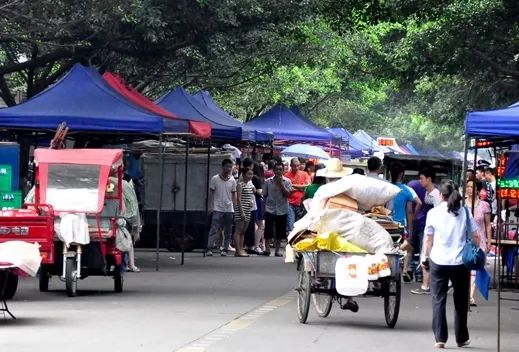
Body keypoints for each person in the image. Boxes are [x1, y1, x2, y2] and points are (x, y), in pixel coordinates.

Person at [422, 180, 480, 349]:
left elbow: (428, 239)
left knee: (438, 300)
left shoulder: (433, 213)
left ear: (441, 195)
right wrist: (476, 251)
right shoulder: (465, 212)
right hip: (460, 262)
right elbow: (476, 236)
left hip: (438, 261)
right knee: (461, 301)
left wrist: (425, 257)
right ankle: (461, 338)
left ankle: (440, 339)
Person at [411, 168, 442, 295]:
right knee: (425, 254)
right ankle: (427, 283)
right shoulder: (426, 193)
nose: (420, 181)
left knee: (426, 254)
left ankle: (426, 285)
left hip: (432, 229)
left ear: (429, 179)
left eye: (422, 178)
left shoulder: (435, 194)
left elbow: (438, 213)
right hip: (426, 226)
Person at [465, 179, 492, 306]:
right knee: (465, 267)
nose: (469, 189)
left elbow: (488, 225)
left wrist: (489, 241)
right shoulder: (462, 204)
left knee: (476, 269)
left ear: (477, 189)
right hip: (465, 239)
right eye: (468, 186)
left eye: (472, 186)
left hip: (480, 240)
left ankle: (471, 296)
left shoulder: (484, 205)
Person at [206, 159, 237, 257]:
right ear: (222, 167)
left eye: (230, 167)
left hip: (229, 208)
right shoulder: (215, 178)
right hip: (217, 207)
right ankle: (209, 248)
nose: (228, 169)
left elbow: (233, 195)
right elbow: (211, 193)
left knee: (228, 230)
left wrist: (235, 207)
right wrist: (210, 206)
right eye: (227, 166)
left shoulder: (232, 180)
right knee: (214, 228)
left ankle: (225, 249)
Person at [262, 162, 292, 257]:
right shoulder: (268, 181)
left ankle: (277, 250)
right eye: (277, 169)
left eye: (280, 169)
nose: (278, 171)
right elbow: (264, 194)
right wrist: (264, 208)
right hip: (270, 208)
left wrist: (281, 185)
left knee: (280, 231)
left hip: (282, 209)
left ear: (283, 171)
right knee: (268, 230)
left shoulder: (287, 181)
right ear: (273, 170)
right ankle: (267, 249)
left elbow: (288, 194)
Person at [284, 158, 311, 232]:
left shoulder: (304, 174)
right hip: (290, 203)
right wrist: (301, 187)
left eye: (298, 166)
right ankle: (290, 241)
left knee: (298, 226)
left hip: (301, 204)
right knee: (291, 225)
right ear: (291, 165)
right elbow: (287, 189)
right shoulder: (286, 176)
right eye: (294, 166)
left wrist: (292, 185)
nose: (296, 168)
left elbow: (307, 186)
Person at [234, 167, 255, 257]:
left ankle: (241, 249)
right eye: (249, 174)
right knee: (238, 230)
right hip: (241, 209)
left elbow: (252, 194)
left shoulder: (250, 184)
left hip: (248, 209)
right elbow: (238, 198)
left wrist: (251, 201)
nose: (250, 176)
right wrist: (241, 211)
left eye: (251, 174)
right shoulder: (240, 184)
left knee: (243, 231)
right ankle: (238, 250)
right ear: (243, 174)